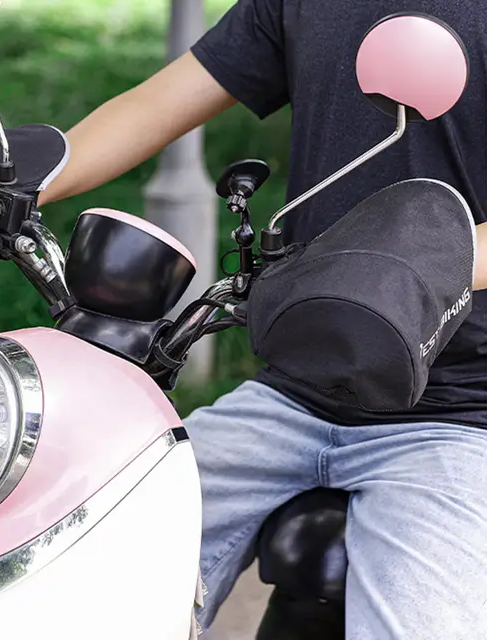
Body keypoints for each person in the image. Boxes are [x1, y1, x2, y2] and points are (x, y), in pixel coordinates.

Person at [38, 1, 487, 637]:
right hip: (292, 393)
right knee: (76, 578)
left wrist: (412, 259)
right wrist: (10, 179)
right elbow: (158, 101)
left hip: (459, 417)